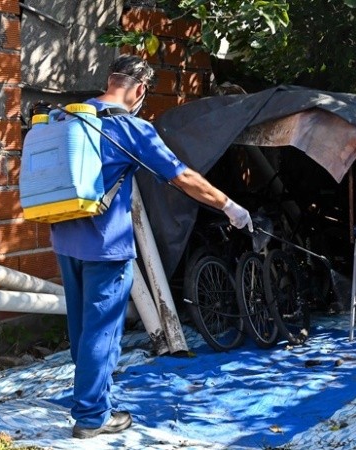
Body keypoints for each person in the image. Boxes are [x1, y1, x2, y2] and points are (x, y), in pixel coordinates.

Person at [50, 54, 253, 439]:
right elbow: (182, 177)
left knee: (81, 327)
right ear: (140, 89)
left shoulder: (72, 116)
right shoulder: (130, 128)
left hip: (64, 238)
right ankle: (92, 417)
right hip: (105, 245)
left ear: (110, 80)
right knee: (102, 331)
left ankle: (92, 400)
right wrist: (228, 206)